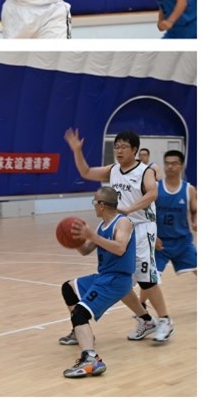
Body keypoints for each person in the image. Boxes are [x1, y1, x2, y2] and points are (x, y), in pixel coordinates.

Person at [64, 128, 174, 343]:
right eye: (117, 147)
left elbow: (153, 193)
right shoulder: (113, 169)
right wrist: (77, 151)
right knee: (119, 279)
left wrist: (129, 209)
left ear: (134, 149)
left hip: (142, 226)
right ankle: (146, 321)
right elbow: (86, 172)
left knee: (145, 277)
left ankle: (165, 320)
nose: (119, 151)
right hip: (119, 225)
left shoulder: (145, 171)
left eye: (124, 147)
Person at [59, 186, 136, 378]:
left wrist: (92, 236)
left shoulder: (123, 222)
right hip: (104, 276)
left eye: (94, 202)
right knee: (68, 288)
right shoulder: (102, 226)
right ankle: (80, 332)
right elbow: (86, 250)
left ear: (101, 205)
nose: (93, 205)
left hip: (116, 279)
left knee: (80, 313)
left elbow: (120, 248)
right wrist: (75, 241)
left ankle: (90, 359)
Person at [147, 150, 196, 282]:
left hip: (182, 242)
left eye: (174, 163)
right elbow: (146, 214)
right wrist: (153, 235)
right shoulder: (155, 187)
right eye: (167, 163)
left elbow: (195, 210)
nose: (170, 166)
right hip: (160, 243)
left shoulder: (189, 189)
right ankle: (143, 298)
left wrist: (195, 221)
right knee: (150, 280)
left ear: (182, 166)